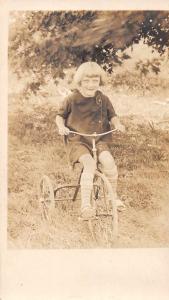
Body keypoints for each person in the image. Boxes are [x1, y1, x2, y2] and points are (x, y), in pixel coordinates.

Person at [56, 61, 125, 220]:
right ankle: (85, 206)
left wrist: (117, 124)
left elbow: (112, 115)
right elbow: (59, 117)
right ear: (79, 81)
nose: (90, 85)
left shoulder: (103, 99)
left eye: (95, 81)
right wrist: (61, 127)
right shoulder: (71, 99)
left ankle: (112, 196)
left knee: (108, 161)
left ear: (100, 81)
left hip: (98, 138)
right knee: (89, 164)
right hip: (77, 140)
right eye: (86, 81)